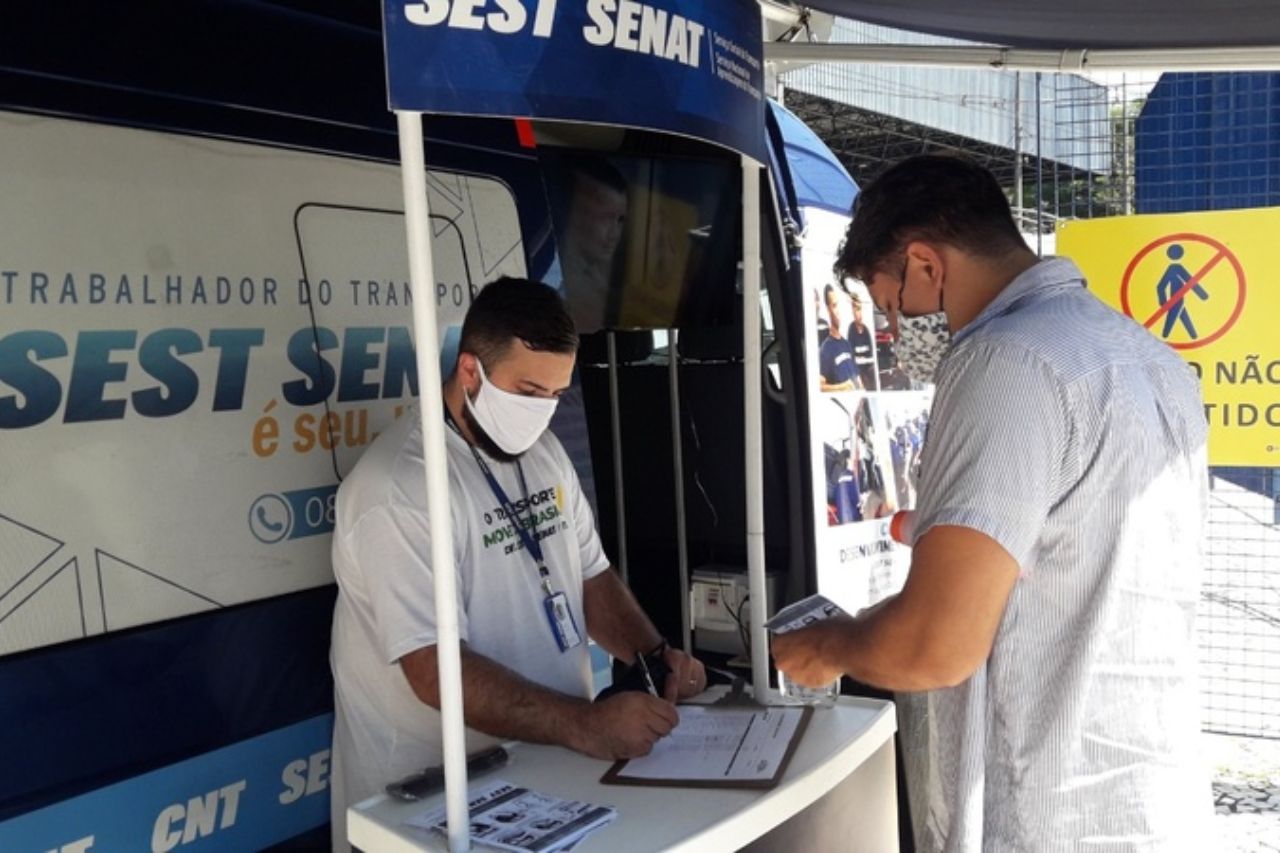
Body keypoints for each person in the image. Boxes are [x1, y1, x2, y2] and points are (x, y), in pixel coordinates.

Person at [773, 155, 1209, 851]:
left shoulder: (1003, 360)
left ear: (925, 264)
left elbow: (934, 647)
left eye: (891, 307)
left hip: (1046, 814)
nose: (894, 333)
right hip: (1151, 796)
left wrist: (828, 645)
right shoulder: (1147, 357)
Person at [329, 278, 706, 849]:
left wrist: (654, 658)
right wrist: (584, 725)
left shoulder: (544, 453)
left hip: (540, 776)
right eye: (528, 392)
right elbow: (435, 670)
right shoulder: (399, 488)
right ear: (470, 372)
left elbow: (590, 577)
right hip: (422, 805)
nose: (541, 414)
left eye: (555, 395)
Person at [558, 156, 628, 331]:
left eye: (620, 220)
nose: (614, 233)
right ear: (576, 215)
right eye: (605, 218)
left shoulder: (608, 286)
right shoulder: (557, 286)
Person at [818, 283, 861, 391]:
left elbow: (857, 377)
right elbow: (820, 386)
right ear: (828, 309)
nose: (838, 312)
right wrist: (841, 387)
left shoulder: (846, 344)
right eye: (834, 306)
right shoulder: (826, 349)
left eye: (839, 306)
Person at [847, 293, 878, 390]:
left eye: (859, 309)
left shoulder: (866, 330)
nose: (858, 313)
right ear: (852, 311)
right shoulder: (851, 330)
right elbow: (852, 355)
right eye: (855, 310)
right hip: (859, 371)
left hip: (869, 369)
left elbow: (871, 354)